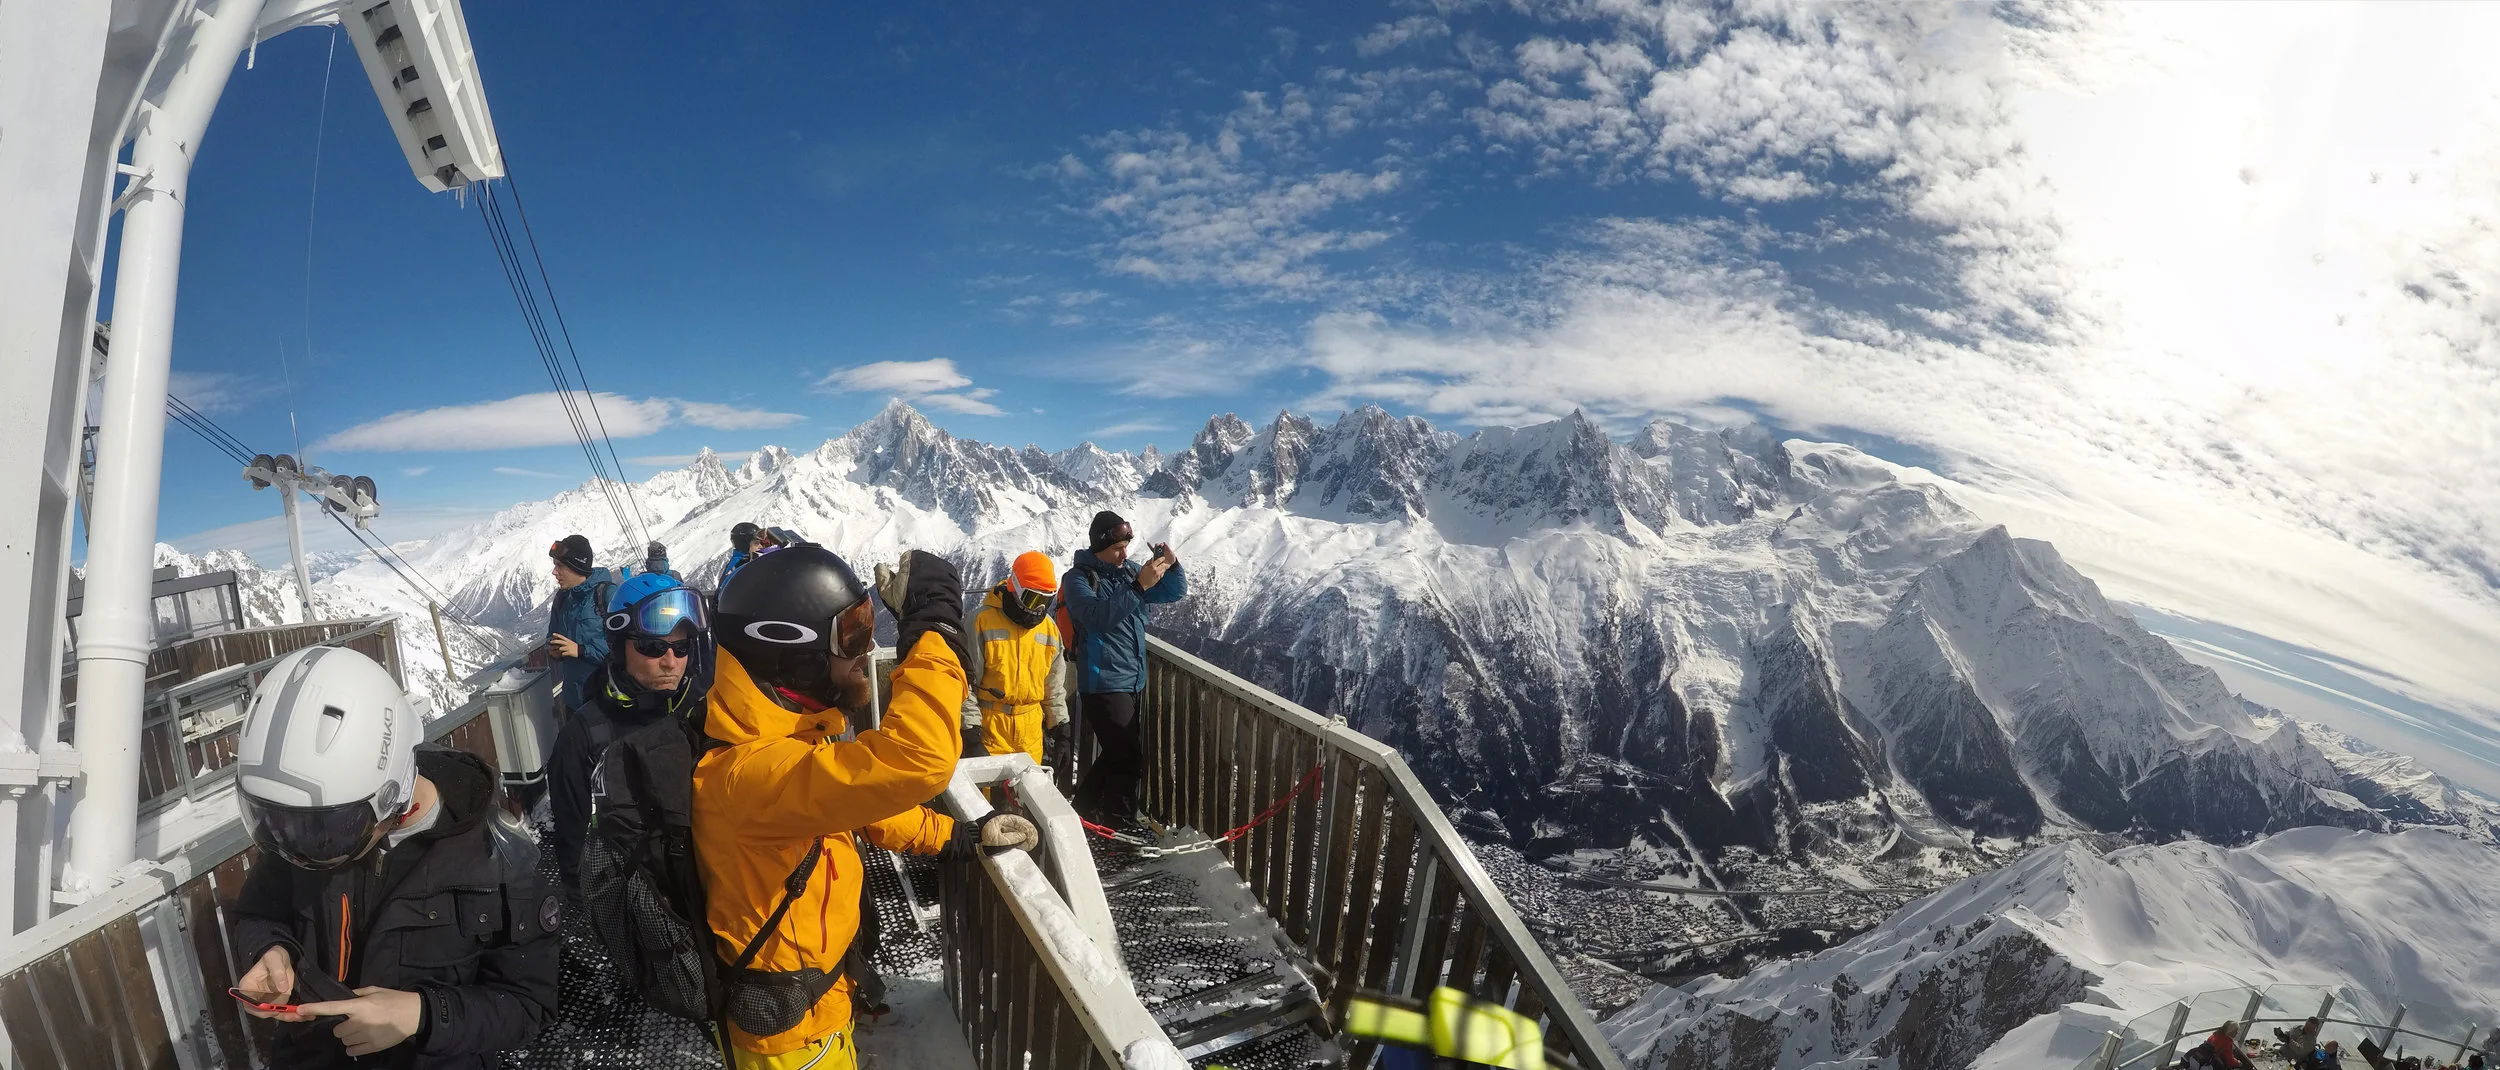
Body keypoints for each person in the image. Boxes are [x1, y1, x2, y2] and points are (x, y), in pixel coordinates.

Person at [693, 543, 1020, 1069]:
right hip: (793, 1045)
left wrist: (952, 835)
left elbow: (856, 801)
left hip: (820, 1002)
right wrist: (935, 632)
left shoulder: (788, 739)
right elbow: (918, 759)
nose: (867, 651)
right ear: (791, 654)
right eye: (851, 634)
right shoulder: (750, 774)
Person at [227, 646, 560, 1068]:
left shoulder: (497, 861)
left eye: (332, 829)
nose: (305, 848)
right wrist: (270, 950)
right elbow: (259, 910)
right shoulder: (308, 833)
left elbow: (527, 1004)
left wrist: (421, 1015)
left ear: (391, 794)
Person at [548, 571, 711, 891]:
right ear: (620, 647)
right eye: (653, 646)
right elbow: (573, 845)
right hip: (635, 898)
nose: (671, 662)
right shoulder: (584, 736)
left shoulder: (703, 711)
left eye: (681, 647)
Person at [1063, 510, 1185, 825]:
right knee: (1127, 757)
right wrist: (1137, 587)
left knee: (1118, 753)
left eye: (1126, 546)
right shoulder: (1077, 579)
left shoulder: (1128, 572)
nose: (1125, 554)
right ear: (1099, 546)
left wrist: (1172, 567)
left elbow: (1173, 593)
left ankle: (1080, 814)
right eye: (1118, 548)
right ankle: (1119, 825)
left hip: (1132, 678)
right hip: (1102, 681)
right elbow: (1096, 618)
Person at [958, 550, 1069, 764]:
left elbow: (1053, 686)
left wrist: (1060, 728)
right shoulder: (981, 622)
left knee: (1029, 786)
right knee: (989, 788)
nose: (1038, 609)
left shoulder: (1049, 629)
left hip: (1031, 736)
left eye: (1045, 601)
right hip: (990, 732)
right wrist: (971, 733)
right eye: (1032, 599)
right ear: (1015, 588)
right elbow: (965, 684)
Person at [546, 534, 618, 713]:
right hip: (573, 702)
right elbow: (551, 637)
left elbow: (622, 650)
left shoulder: (606, 596)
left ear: (576, 566)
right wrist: (554, 650)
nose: (554, 572)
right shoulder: (562, 599)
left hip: (605, 702)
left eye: (560, 566)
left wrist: (581, 650)